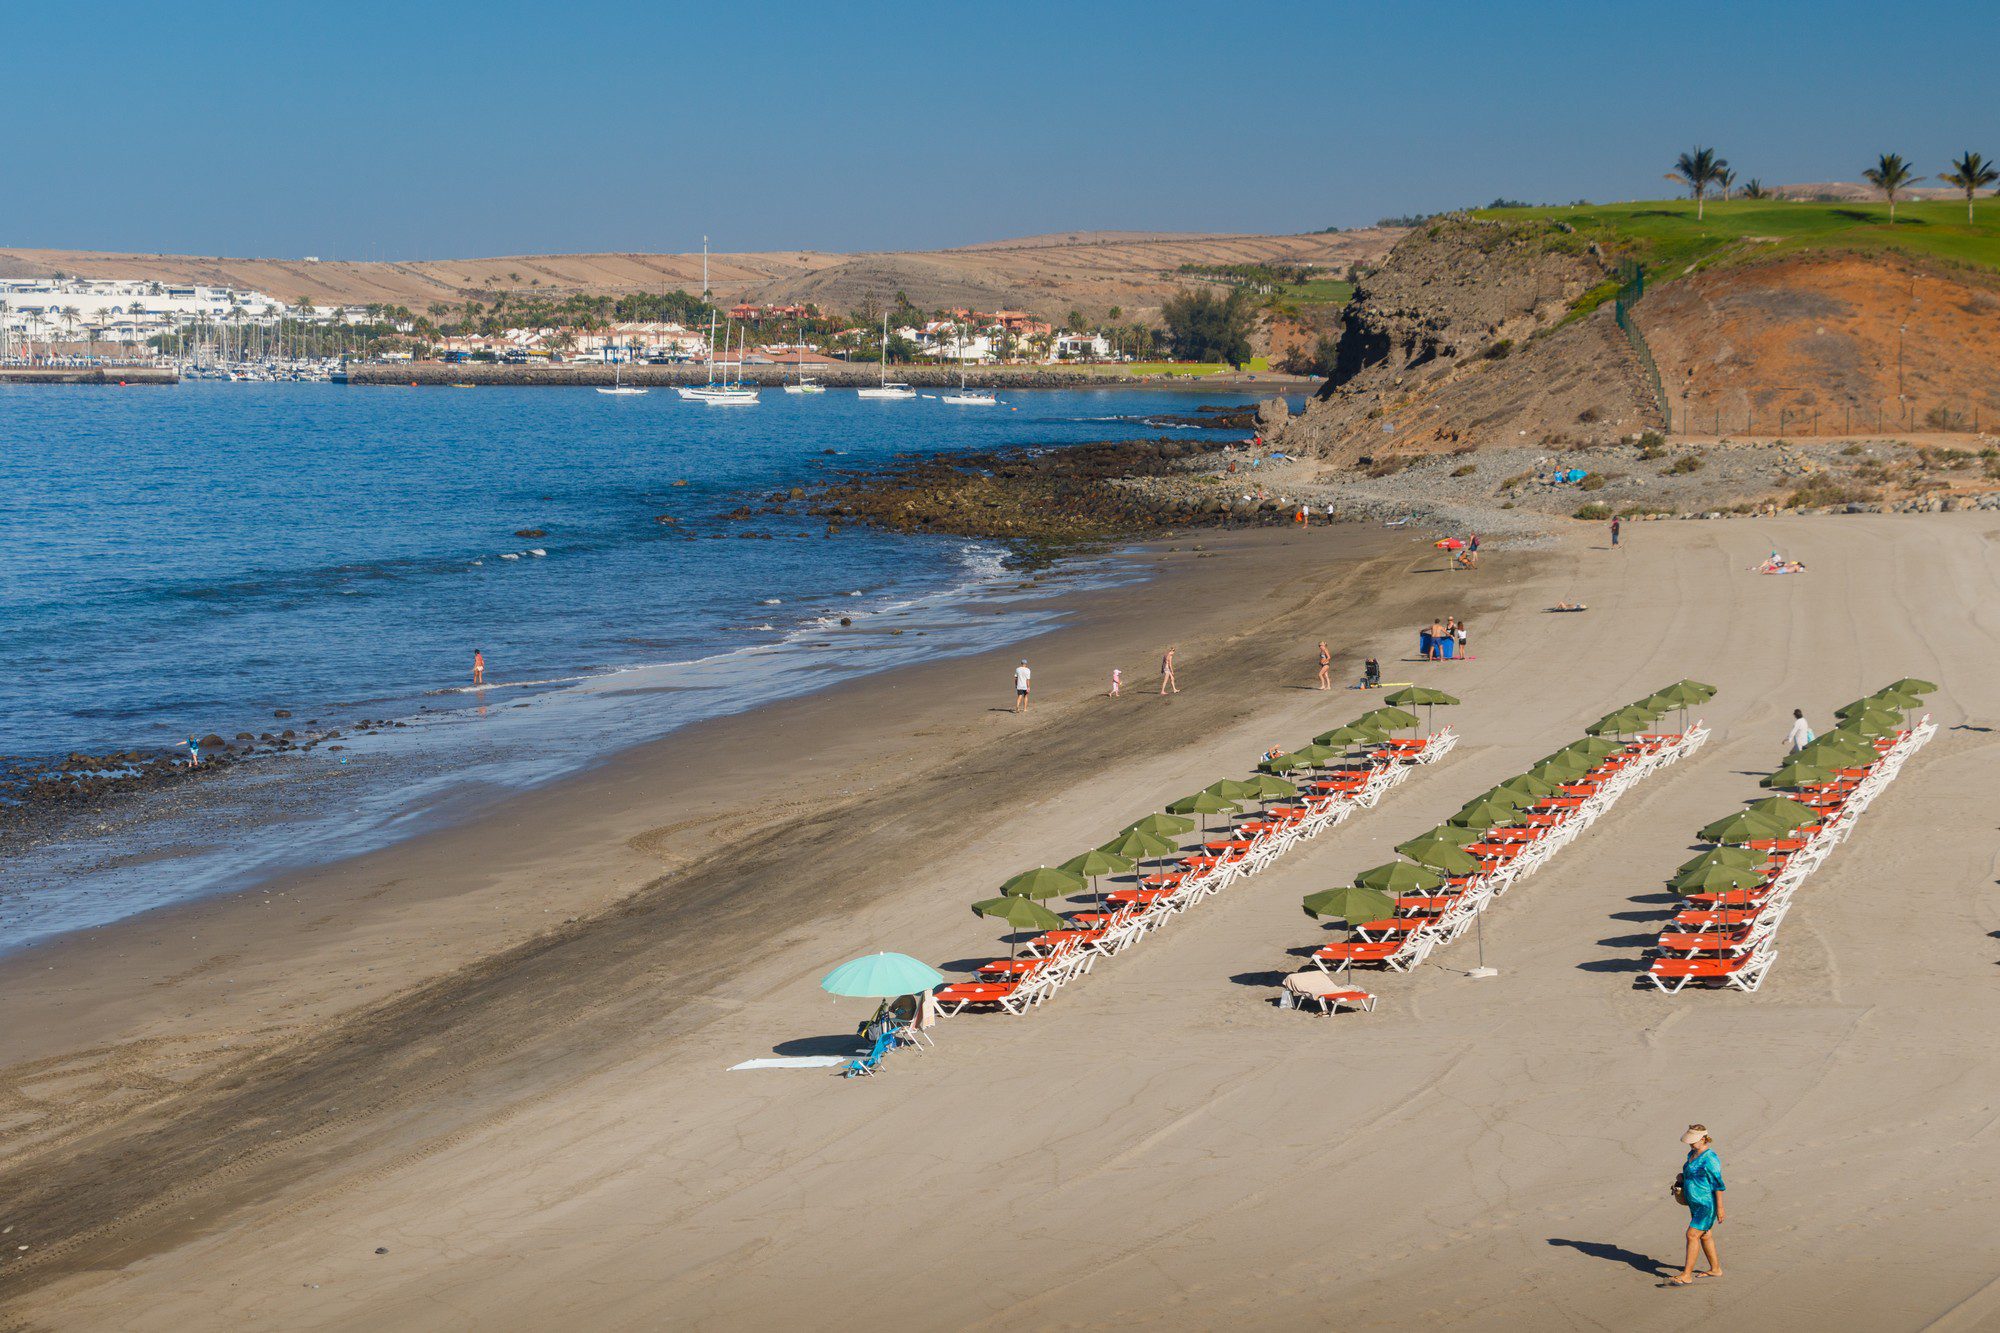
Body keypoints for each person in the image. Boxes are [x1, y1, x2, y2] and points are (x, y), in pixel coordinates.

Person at [1668, 1125, 1726, 1285]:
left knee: (1692, 1235)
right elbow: (1692, 1174)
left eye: (1693, 1141)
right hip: (1694, 1204)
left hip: (1706, 1205)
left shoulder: (1710, 1158)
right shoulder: (1692, 1154)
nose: (1691, 1144)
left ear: (1703, 1138)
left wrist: (1720, 1208)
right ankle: (1715, 1269)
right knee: (1705, 1235)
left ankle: (1686, 1275)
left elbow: (1718, 1185)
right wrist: (1682, 1178)